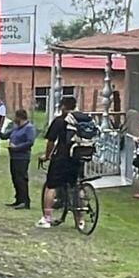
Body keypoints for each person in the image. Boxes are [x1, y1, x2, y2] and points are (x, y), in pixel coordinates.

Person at [37, 95, 81, 229]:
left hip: (62, 157)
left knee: (51, 186)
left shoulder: (59, 121)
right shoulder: (80, 119)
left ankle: (46, 218)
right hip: (77, 157)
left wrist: (47, 155)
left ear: (63, 106)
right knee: (76, 188)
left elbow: (51, 141)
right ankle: (80, 220)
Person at [4, 109, 36, 208]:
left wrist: (17, 147)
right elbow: (4, 136)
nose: (14, 119)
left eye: (15, 117)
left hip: (22, 157)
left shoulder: (29, 128)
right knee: (15, 178)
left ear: (19, 117)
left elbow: (30, 142)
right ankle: (18, 199)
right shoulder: (15, 128)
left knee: (21, 179)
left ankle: (25, 201)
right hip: (13, 157)